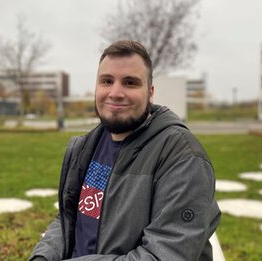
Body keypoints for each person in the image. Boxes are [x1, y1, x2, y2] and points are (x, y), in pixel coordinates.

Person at [30, 40, 220, 261]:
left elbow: (164, 255)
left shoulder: (182, 157)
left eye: (130, 82)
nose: (115, 93)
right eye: (106, 81)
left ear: (150, 92)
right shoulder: (88, 147)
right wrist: (43, 256)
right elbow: (70, 218)